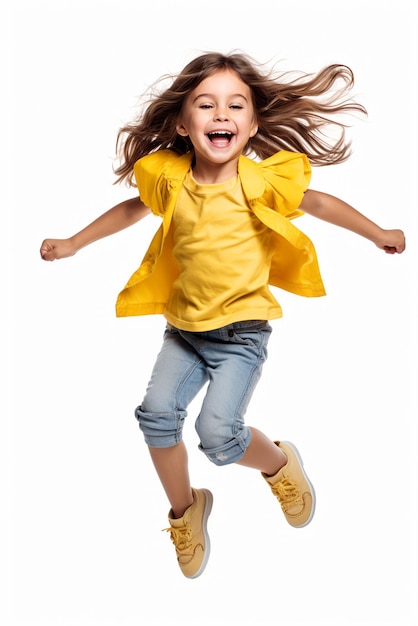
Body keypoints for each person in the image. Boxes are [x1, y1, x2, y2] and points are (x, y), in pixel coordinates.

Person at [40, 51, 405, 579]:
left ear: (252, 124)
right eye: (205, 105)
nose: (220, 115)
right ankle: (186, 509)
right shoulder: (169, 180)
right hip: (183, 333)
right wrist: (74, 243)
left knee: (219, 439)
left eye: (235, 106)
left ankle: (280, 465)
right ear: (184, 124)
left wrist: (379, 234)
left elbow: (320, 203)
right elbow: (130, 208)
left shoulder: (262, 183)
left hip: (240, 336)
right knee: (155, 416)